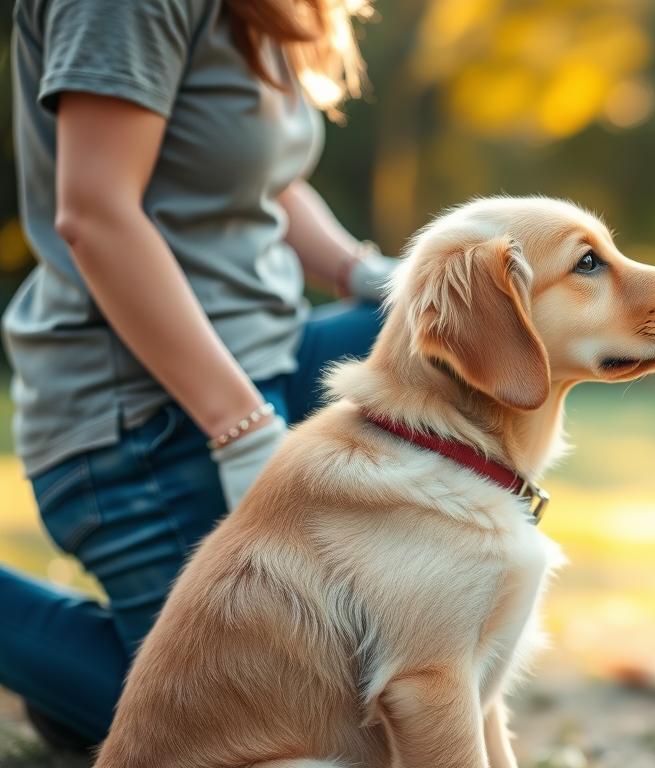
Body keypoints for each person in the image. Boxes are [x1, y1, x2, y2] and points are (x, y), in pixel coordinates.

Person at [0, 0, 397, 748]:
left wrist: (365, 274)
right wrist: (244, 433)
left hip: (275, 358)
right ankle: (88, 669)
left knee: (477, 331)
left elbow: (261, 178)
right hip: (147, 420)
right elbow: (95, 214)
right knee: (280, 732)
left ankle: (100, 670)